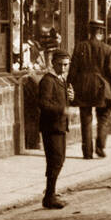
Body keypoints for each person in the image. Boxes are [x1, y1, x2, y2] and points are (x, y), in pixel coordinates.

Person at [69, 19, 111, 159]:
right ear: (101, 32)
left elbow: (73, 71)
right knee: (103, 118)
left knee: (86, 120)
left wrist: (69, 87)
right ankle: (100, 147)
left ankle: (87, 152)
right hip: (102, 88)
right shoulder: (107, 49)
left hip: (83, 87)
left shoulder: (80, 47)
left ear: (90, 32)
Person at [37, 49, 72, 209]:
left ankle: (50, 193)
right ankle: (49, 196)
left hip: (60, 126)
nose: (64, 68)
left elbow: (61, 100)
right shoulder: (48, 80)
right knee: (55, 161)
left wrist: (70, 97)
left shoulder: (60, 79)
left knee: (59, 160)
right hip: (51, 127)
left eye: (66, 65)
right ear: (53, 63)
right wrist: (61, 109)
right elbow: (43, 104)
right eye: (61, 64)